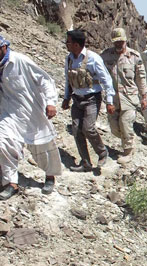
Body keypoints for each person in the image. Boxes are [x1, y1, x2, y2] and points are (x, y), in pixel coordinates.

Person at [0, 35, 62, 199]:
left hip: (32, 112)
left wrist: (51, 102)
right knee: (3, 142)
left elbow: (46, 80)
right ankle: (11, 183)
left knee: (42, 147)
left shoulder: (19, 61)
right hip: (8, 113)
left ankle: (50, 176)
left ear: (4, 47)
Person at [62, 29, 115, 172]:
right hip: (76, 99)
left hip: (92, 99)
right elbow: (68, 80)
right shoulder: (69, 59)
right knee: (76, 129)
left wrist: (110, 101)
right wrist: (66, 97)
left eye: (68, 41)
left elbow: (106, 80)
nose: (66, 44)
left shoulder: (93, 58)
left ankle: (102, 153)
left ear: (77, 44)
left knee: (88, 128)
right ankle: (85, 162)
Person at [101, 28, 147, 164]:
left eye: (121, 41)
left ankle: (128, 151)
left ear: (125, 40)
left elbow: (141, 78)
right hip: (113, 98)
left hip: (129, 97)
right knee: (115, 128)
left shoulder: (134, 57)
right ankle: (128, 140)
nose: (118, 44)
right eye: (116, 42)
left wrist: (144, 97)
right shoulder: (106, 56)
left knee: (125, 123)